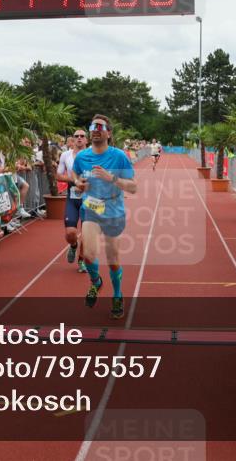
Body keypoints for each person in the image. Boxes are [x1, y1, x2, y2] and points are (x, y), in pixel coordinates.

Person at [72, 114, 137, 320]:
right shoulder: (82, 157)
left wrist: (112, 178)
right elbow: (75, 174)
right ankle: (96, 282)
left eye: (100, 126)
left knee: (112, 259)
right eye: (92, 126)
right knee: (89, 254)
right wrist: (78, 184)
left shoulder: (119, 156)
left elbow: (133, 187)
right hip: (92, 207)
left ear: (108, 133)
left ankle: (117, 294)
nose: (95, 129)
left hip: (113, 209)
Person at [57, 128, 88, 272]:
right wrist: (74, 180)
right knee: (70, 233)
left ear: (86, 140)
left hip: (90, 197)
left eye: (82, 136)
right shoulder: (65, 155)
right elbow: (58, 175)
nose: (79, 138)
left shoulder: (93, 155)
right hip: (73, 197)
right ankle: (73, 245)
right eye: (77, 136)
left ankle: (81, 261)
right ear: (73, 139)